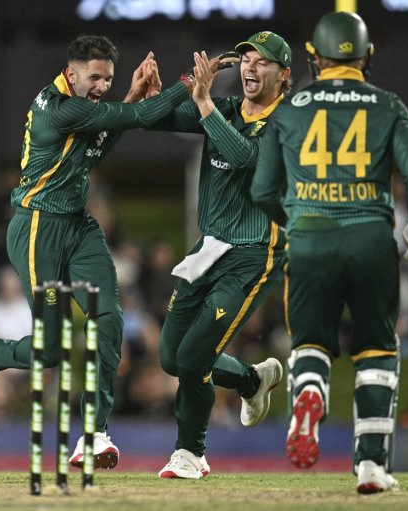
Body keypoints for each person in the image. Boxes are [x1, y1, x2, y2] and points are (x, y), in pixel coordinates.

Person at [0, 34, 205, 471]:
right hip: (38, 230)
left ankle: (94, 433)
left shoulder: (78, 106)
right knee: (50, 349)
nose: (102, 86)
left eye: (108, 78)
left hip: (78, 227)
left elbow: (96, 148)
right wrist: (189, 83)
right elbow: (139, 117)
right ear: (71, 74)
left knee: (108, 318)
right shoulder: (58, 108)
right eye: (95, 77)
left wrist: (130, 97)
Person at [250, 12, 408, 494]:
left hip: (310, 238)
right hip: (371, 240)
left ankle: (309, 393)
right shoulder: (388, 105)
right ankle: (372, 465)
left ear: (313, 59)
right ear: (367, 56)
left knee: (310, 343)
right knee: (377, 347)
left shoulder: (288, 110)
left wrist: (298, 220)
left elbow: (262, 190)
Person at [146, 32, 292, 479]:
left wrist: (204, 102)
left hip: (255, 254)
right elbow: (156, 120)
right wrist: (170, 90)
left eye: (262, 62)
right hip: (209, 248)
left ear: (284, 75)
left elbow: (245, 155)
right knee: (172, 357)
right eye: (245, 59)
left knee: (193, 358)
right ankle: (253, 380)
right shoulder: (226, 108)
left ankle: (191, 453)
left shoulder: (291, 123)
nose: (250, 67)